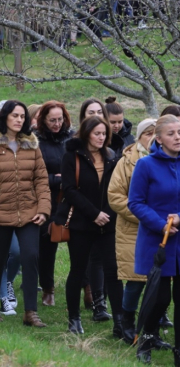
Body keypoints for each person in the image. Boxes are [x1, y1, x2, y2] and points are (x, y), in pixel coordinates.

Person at [0, 100, 50, 324]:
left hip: (28, 212)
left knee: (30, 256)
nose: (19, 120)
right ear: (5, 117)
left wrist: (43, 210)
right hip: (0, 213)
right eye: (15, 116)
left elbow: (42, 181)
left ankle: (30, 311)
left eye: (22, 116)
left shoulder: (32, 146)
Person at [108, 118, 169, 345]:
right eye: (148, 132)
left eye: (156, 132)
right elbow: (116, 197)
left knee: (159, 283)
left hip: (165, 231)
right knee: (135, 281)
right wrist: (147, 218)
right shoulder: (126, 163)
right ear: (140, 135)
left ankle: (150, 331)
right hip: (133, 231)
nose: (152, 137)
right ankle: (127, 323)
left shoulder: (169, 161)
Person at [61, 115, 123, 335]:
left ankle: (119, 321)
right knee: (78, 270)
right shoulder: (72, 156)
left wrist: (105, 213)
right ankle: (74, 319)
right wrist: (93, 213)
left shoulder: (111, 156)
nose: (101, 137)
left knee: (113, 272)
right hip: (82, 223)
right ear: (86, 134)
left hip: (107, 223)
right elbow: (69, 190)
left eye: (104, 133)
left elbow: (115, 189)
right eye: (97, 133)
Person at [128, 115, 180, 365]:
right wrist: (162, 225)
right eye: (171, 133)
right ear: (158, 139)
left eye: (179, 132)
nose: (177, 137)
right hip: (157, 240)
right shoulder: (146, 165)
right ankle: (146, 339)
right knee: (160, 297)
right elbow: (135, 202)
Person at [34, 100, 73, 307]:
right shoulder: (37, 141)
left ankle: (87, 287)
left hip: (71, 199)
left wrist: (66, 180)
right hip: (47, 200)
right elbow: (34, 175)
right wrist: (57, 179)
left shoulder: (72, 138)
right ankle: (48, 288)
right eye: (52, 120)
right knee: (47, 246)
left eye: (60, 119)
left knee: (78, 244)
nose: (57, 124)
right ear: (44, 120)